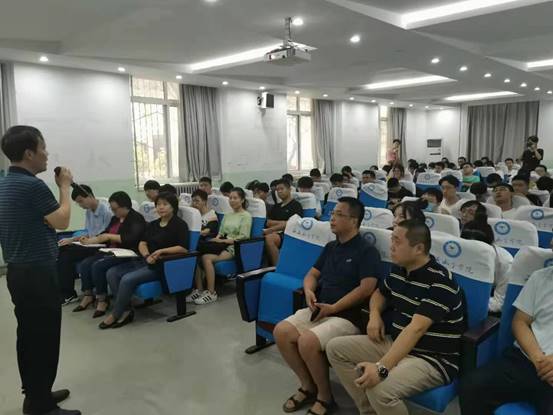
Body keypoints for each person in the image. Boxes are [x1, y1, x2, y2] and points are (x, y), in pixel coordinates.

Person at [326, 220, 465, 415]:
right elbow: (379, 294)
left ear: (418, 249)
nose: (391, 246)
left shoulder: (441, 282)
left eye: (397, 242)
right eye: (392, 239)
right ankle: (369, 411)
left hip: (431, 359)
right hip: (397, 343)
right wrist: (375, 315)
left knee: (380, 390)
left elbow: (416, 329)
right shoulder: (399, 269)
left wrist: (381, 368)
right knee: (335, 348)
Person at [273, 197, 381, 415]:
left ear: (354, 221)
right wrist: (309, 291)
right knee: (281, 332)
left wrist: (333, 308)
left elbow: (366, 288)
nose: (332, 218)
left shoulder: (366, 251)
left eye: (339, 214)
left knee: (307, 341)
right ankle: (308, 386)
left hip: (346, 317)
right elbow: (312, 275)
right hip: (320, 309)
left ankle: (325, 397)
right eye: (332, 214)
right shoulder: (331, 247)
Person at [0, 126, 81, 415]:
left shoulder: (5, 183)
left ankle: (35, 393)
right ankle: (40, 405)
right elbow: (62, 221)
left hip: (18, 272)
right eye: (43, 148)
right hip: (37, 274)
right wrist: (64, 187)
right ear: (29, 153)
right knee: (44, 339)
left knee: (29, 337)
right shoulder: (32, 186)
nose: (47, 154)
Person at [459, 265, 553, 414]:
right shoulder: (540, 277)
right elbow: (520, 322)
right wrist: (538, 359)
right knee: (472, 386)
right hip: (527, 359)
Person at [100, 192, 189, 329]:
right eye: (158, 204)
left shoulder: (179, 224)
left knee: (127, 279)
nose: (161, 207)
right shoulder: (153, 224)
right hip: (145, 260)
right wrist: (147, 255)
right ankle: (125, 310)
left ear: (173, 206)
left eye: (165, 204)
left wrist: (161, 252)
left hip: (163, 264)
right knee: (111, 273)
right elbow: (142, 243)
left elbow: (183, 248)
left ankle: (116, 314)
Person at [72, 191, 146, 318]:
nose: (113, 211)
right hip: (111, 251)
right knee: (86, 264)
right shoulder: (115, 218)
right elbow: (105, 233)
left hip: (126, 254)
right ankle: (88, 295)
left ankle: (102, 299)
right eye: (112, 209)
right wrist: (91, 240)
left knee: (97, 266)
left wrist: (109, 236)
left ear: (124, 206)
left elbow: (131, 238)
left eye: (115, 209)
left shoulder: (136, 218)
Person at [195, 187, 252, 305]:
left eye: (235, 198)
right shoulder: (228, 215)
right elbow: (220, 233)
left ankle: (211, 293)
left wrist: (223, 241)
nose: (232, 200)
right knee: (196, 255)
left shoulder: (246, 216)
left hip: (234, 247)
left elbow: (243, 237)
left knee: (206, 258)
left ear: (242, 200)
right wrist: (216, 240)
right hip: (221, 244)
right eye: (230, 198)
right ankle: (199, 290)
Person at [57, 184, 113, 304]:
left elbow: (106, 235)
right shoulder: (88, 211)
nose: (80, 205)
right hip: (90, 244)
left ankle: (68, 293)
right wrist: (71, 240)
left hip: (101, 246)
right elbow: (88, 232)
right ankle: (64, 292)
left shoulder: (106, 211)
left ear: (90, 196)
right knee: (62, 249)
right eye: (78, 203)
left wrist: (87, 241)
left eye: (81, 201)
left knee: (66, 254)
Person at [461, 217, 512, 313]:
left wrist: (469, 304)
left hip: (486, 303)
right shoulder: (459, 253)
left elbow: (498, 302)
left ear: (491, 245)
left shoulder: (506, 263)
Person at [264, 179, 304, 266]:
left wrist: (271, 229)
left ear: (289, 189)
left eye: (282, 189)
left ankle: (278, 267)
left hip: (289, 233)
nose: (279, 191)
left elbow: (292, 224)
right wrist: (282, 223)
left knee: (269, 239)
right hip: (275, 232)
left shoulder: (296, 205)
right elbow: (268, 222)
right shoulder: (276, 207)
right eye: (277, 190)